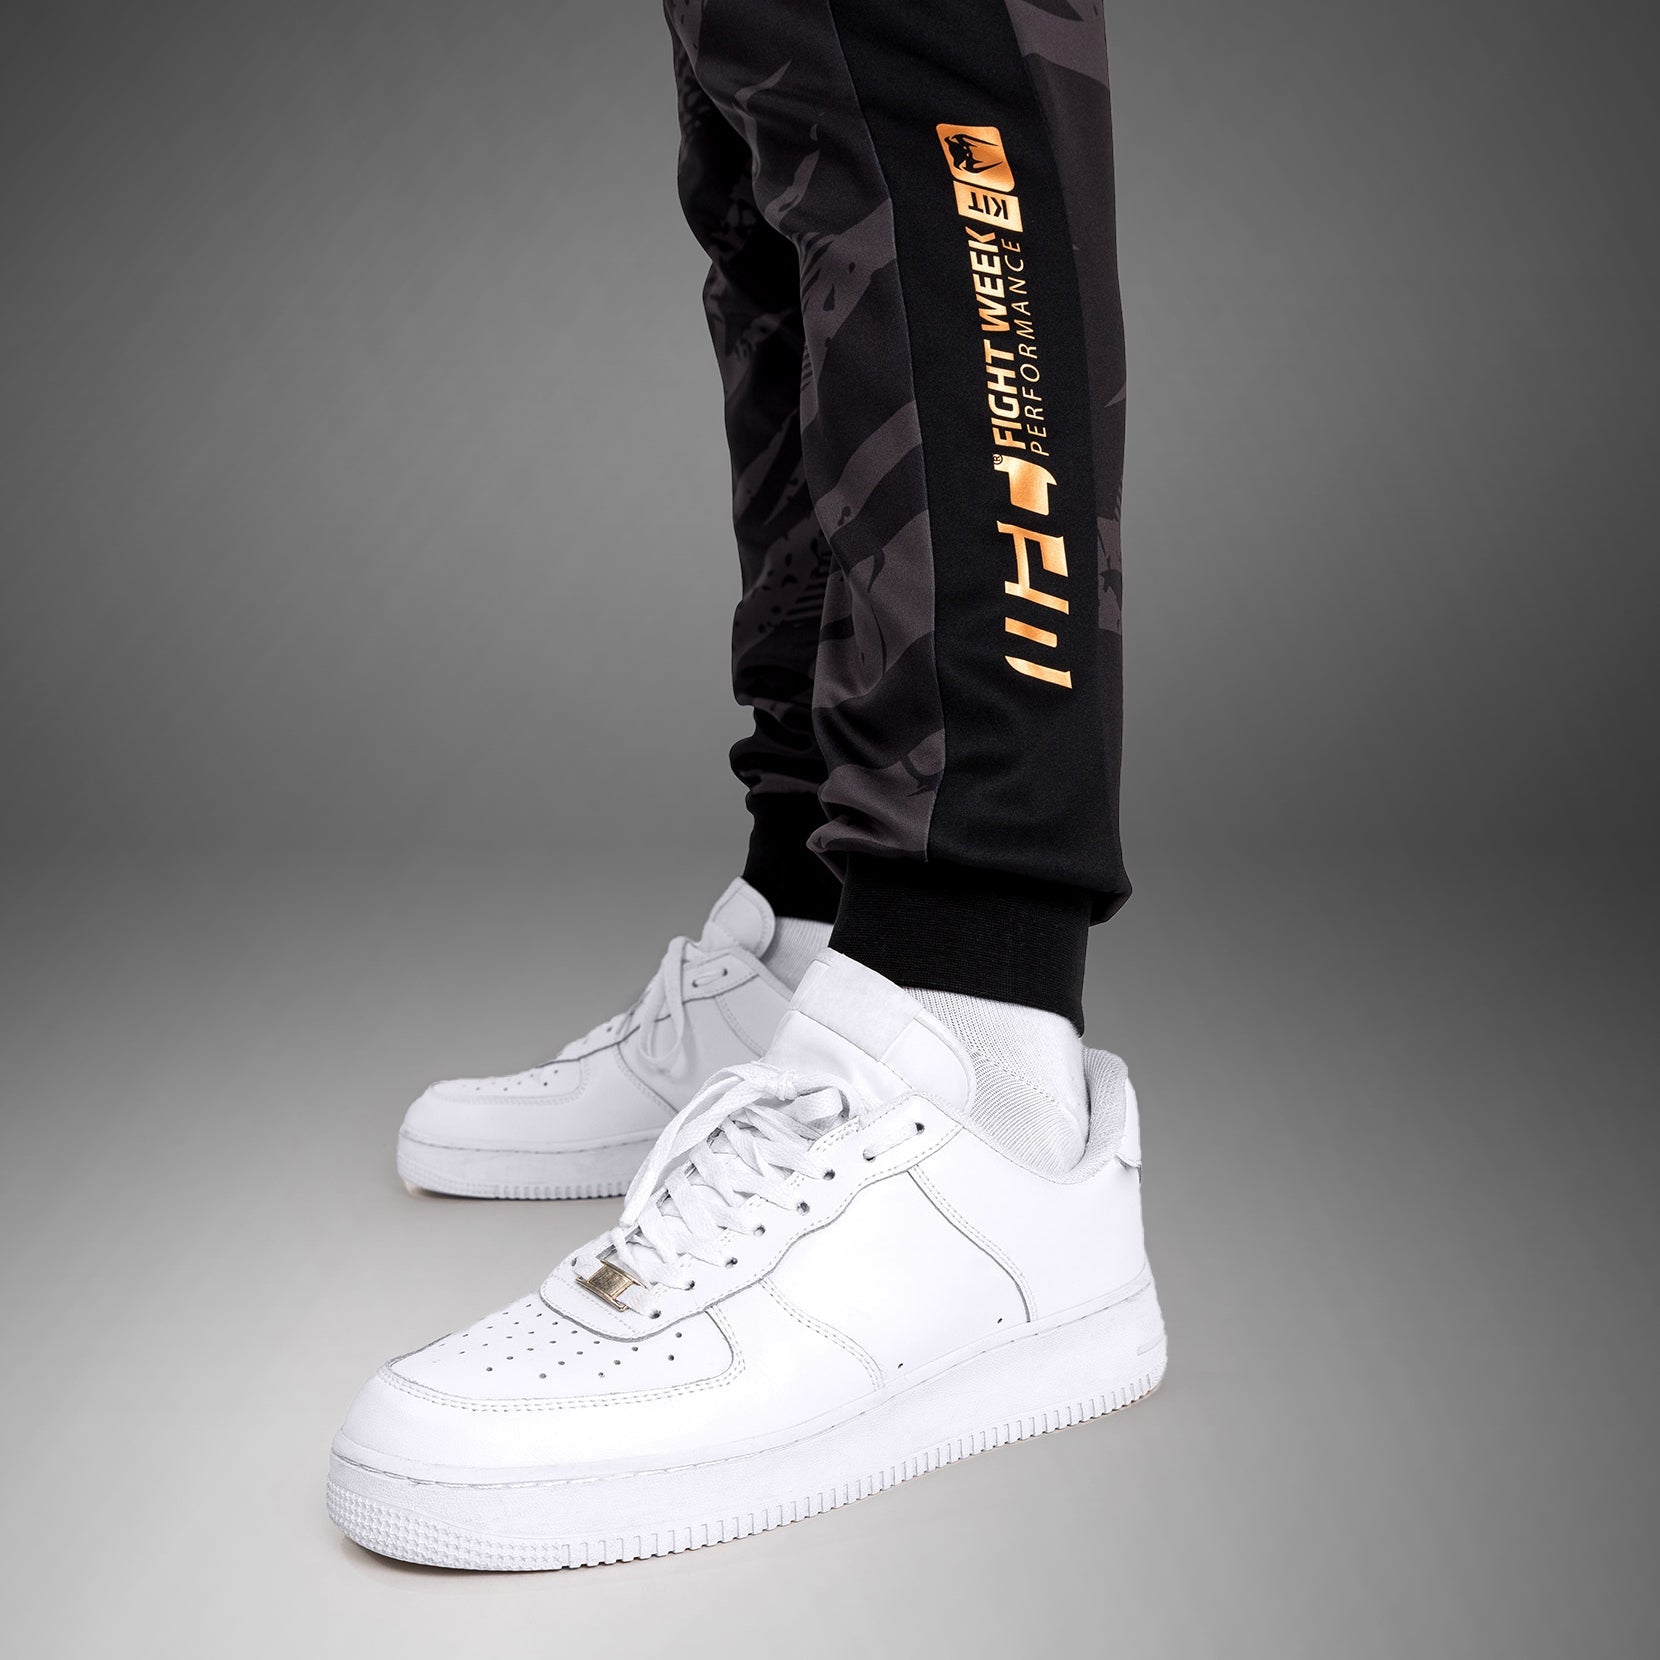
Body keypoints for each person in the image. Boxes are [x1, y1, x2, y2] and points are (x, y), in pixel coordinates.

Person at [328, 0, 1164, 1569]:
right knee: (780, 120)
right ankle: (813, 932)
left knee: (924, 76)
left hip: (976, 966)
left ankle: (971, 1040)